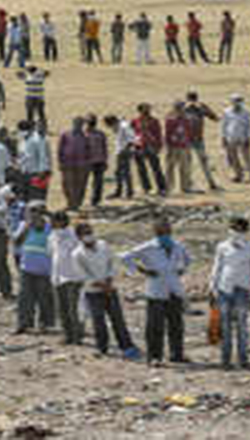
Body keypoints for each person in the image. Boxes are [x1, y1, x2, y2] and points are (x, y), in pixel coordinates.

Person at [122, 221, 191, 366]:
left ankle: (176, 354)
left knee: (176, 325)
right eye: (161, 232)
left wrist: (181, 269)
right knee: (155, 326)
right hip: (156, 291)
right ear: (155, 232)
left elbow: (188, 260)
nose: (165, 234)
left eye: (167, 231)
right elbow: (125, 257)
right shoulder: (148, 247)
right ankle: (154, 357)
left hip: (174, 289)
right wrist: (143, 270)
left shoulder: (177, 246)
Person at [73, 222, 141, 359]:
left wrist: (109, 280)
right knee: (99, 321)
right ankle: (102, 347)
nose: (89, 236)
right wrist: (101, 285)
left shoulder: (103, 245)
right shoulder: (77, 254)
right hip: (93, 292)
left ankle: (126, 346)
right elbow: (83, 275)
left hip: (110, 288)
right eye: (85, 233)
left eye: (90, 232)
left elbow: (112, 262)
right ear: (79, 237)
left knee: (118, 319)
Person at [210, 217, 250, 370]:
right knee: (225, 326)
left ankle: (243, 360)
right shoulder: (222, 247)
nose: (235, 232)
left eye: (238, 229)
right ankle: (225, 360)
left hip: (243, 289)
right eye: (233, 229)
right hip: (224, 289)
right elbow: (217, 268)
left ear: (245, 231)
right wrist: (212, 289)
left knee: (242, 326)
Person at [13, 202, 56, 333]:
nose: (33, 215)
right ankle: (24, 323)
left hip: (45, 269)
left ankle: (45, 323)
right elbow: (17, 242)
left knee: (45, 297)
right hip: (27, 268)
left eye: (36, 211)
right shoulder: (24, 226)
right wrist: (27, 226)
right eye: (30, 211)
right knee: (24, 297)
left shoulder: (50, 228)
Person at [48, 211, 84, 345]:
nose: (50, 224)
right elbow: (52, 253)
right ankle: (67, 335)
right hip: (57, 276)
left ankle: (77, 336)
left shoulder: (74, 236)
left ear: (61, 222)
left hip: (73, 277)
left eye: (53, 221)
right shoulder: (52, 236)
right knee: (61, 308)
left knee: (73, 309)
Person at [185, 92, 221, 191]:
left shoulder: (200, 108)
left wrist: (201, 108)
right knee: (188, 162)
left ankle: (211, 183)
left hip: (197, 139)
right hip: (187, 140)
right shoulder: (184, 109)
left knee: (203, 161)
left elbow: (214, 117)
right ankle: (189, 183)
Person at [132, 104, 168, 196]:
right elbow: (132, 134)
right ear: (140, 111)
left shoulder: (154, 121)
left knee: (156, 168)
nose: (147, 112)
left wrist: (159, 146)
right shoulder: (135, 121)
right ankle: (146, 188)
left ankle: (162, 188)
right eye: (145, 110)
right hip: (139, 147)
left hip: (151, 147)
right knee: (141, 169)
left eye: (148, 110)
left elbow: (158, 134)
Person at [58, 117, 91, 210]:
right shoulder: (66, 135)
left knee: (80, 185)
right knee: (67, 184)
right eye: (76, 123)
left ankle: (76, 203)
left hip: (82, 165)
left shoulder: (86, 136)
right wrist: (60, 162)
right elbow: (60, 149)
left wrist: (88, 164)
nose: (78, 125)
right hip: (68, 164)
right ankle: (70, 203)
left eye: (80, 124)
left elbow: (89, 150)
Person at [164, 101, 194, 194]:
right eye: (179, 108)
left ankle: (185, 187)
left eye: (182, 108)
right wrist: (168, 145)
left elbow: (189, 132)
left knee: (185, 167)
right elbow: (167, 133)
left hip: (184, 146)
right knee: (170, 167)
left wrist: (188, 143)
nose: (181, 110)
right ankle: (168, 186)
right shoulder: (170, 119)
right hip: (172, 146)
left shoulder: (187, 119)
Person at [18, 120, 52, 203]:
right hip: (25, 172)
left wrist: (42, 172)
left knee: (37, 197)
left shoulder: (39, 140)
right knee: (25, 197)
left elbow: (43, 157)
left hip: (37, 173)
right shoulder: (22, 141)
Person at [221, 94, 250, 182]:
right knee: (233, 158)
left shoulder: (246, 112)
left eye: (239, 101)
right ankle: (238, 175)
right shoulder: (226, 112)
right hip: (231, 137)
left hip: (243, 137)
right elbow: (223, 126)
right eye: (235, 101)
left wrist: (248, 137)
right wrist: (223, 137)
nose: (237, 103)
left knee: (247, 157)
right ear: (232, 102)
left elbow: (249, 126)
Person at [104, 115, 135, 199]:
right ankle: (124, 191)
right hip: (121, 151)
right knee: (121, 172)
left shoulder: (124, 126)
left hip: (124, 152)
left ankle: (126, 192)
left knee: (123, 172)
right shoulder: (121, 125)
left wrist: (126, 149)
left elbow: (132, 138)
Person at [85, 114, 108, 207]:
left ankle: (95, 200)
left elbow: (104, 147)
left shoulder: (98, 134)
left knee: (98, 182)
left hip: (97, 161)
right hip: (91, 161)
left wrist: (105, 160)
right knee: (94, 182)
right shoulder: (99, 134)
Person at [17, 66, 49, 132]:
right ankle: (44, 127)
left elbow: (19, 75)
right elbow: (47, 73)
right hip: (39, 98)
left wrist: (24, 73)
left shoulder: (28, 78)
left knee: (30, 114)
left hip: (30, 98)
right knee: (41, 113)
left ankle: (30, 127)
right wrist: (40, 72)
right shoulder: (40, 78)